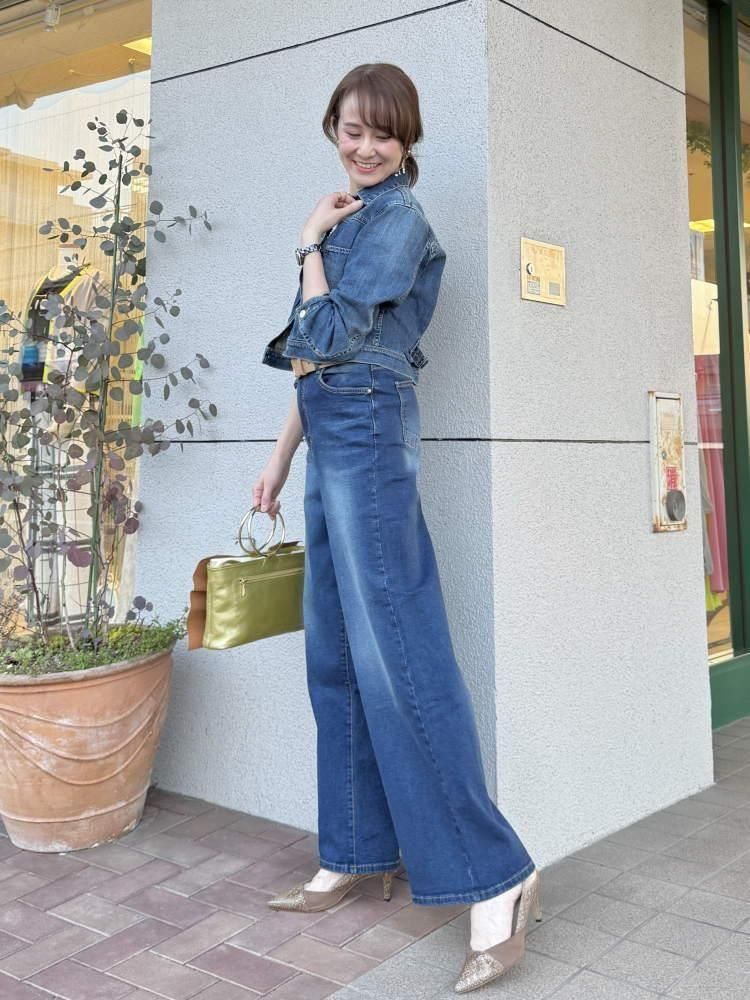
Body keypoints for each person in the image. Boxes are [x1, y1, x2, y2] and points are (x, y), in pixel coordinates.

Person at [254, 63, 542, 994]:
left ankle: (497, 876)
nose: (366, 146)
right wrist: (279, 459)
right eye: (352, 129)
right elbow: (310, 360)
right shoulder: (350, 219)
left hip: (369, 425)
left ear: (408, 138)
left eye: (384, 132)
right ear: (332, 128)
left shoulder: (397, 220)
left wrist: (307, 242)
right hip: (331, 425)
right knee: (336, 652)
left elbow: (331, 331)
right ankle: (356, 849)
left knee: (398, 651)